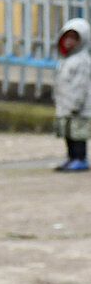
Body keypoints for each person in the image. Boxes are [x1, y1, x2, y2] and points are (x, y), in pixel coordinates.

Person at [53, 18, 91, 171]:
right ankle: (71, 157)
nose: (69, 41)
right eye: (67, 37)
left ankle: (80, 158)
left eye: (74, 38)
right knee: (68, 134)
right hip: (66, 105)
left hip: (78, 107)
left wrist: (75, 104)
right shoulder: (66, 60)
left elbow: (81, 85)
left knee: (78, 136)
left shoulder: (82, 61)